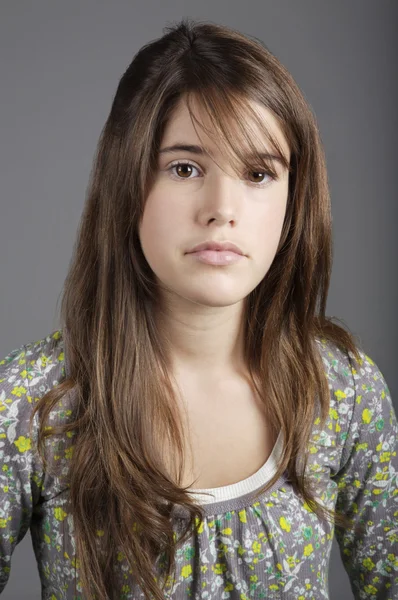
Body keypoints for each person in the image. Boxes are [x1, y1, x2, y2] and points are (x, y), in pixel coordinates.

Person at [0, 17, 397, 600]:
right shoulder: (32, 404)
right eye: (185, 168)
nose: (221, 209)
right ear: (126, 180)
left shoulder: (340, 390)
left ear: (295, 199)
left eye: (258, 173)